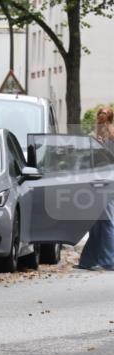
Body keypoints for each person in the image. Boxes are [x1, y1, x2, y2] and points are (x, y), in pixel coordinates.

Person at [78, 106, 114, 270]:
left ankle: (108, 260)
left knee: (105, 221)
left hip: (103, 182)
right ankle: (88, 260)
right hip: (100, 182)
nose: (100, 119)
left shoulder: (105, 137)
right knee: (97, 222)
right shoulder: (95, 137)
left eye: (102, 116)